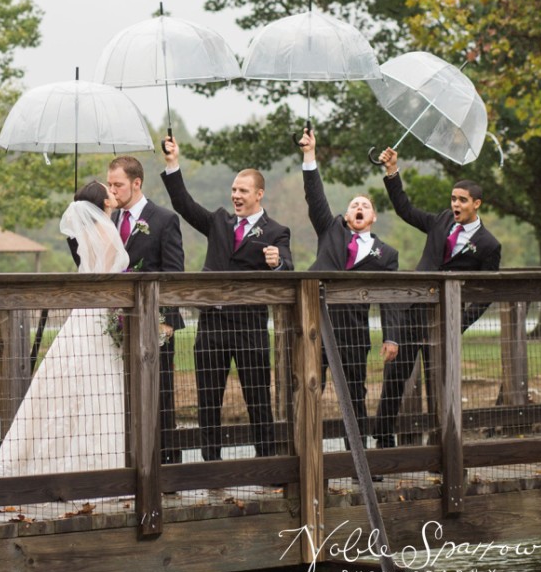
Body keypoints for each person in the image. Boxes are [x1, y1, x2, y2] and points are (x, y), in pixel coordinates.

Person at [160, 137, 292, 460]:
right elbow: (184, 204)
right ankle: (211, 465)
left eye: (243, 191)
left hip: (250, 329)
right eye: (234, 190)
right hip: (212, 327)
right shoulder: (219, 220)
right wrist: (173, 162)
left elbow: (288, 267)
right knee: (208, 400)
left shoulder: (277, 231)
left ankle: (267, 464)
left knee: (258, 399)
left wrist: (279, 263)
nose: (235, 195)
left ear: (259, 194)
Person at [0, 181, 128, 477]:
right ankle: (98, 468)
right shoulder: (107, 231)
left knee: (73, 383)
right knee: (97, 387)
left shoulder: (87, 233)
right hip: (101, 310)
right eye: (109, 190)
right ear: (103, 201)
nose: (113, 193)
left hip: (83, 313)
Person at [371, 147, 501, 448]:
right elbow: (405, 209)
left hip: (445, 320)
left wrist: (460, 324)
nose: (455, 204)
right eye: (454, 198)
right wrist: (392, 172)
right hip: (413, 312)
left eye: (462, 200)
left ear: (476, 204)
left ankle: (440, 445)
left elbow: (487, 294)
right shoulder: (441, 220)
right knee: (395, 378)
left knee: (440, 383)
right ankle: (382, 441)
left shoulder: (489, 245)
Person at [299, 128, 401, 450]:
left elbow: (390, 300)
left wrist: (391, 335)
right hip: (315, 323)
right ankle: (306, 459)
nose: (358, 208)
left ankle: (359, 458)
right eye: (353, 204)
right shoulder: (330, 231)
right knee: (307, 388)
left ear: (372, 217)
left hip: (352, 333)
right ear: (346, 215)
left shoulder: (386, 255)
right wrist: (309, 155)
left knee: (354, 394)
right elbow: (316, 197)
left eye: (364, 206)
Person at [106, 156, 186, 465]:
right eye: (110, 184)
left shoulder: (164, 219)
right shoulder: (109, 219)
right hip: (117, 324)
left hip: (156, 325)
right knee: (123, 396)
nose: (112, 190)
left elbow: (174, 273)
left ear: (136, 183)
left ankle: (168, 466)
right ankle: (131, 464)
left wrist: (165, 321)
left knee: (160, 396)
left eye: (118, 185)